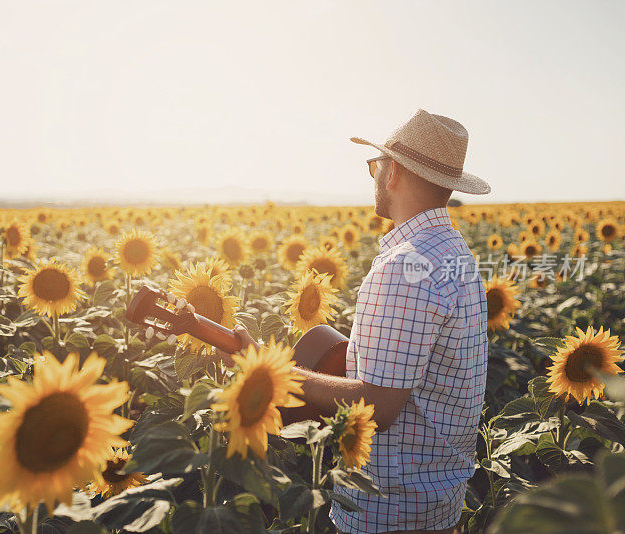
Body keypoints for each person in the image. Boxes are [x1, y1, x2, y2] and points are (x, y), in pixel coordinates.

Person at [165, 109, 491, 533]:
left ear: (393, 174)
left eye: (377, 166)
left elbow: (377, 405)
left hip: (387, 508)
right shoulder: (457, 256)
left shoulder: (404, 266)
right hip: (438, 499)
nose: (374, 176)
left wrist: (272, 369)